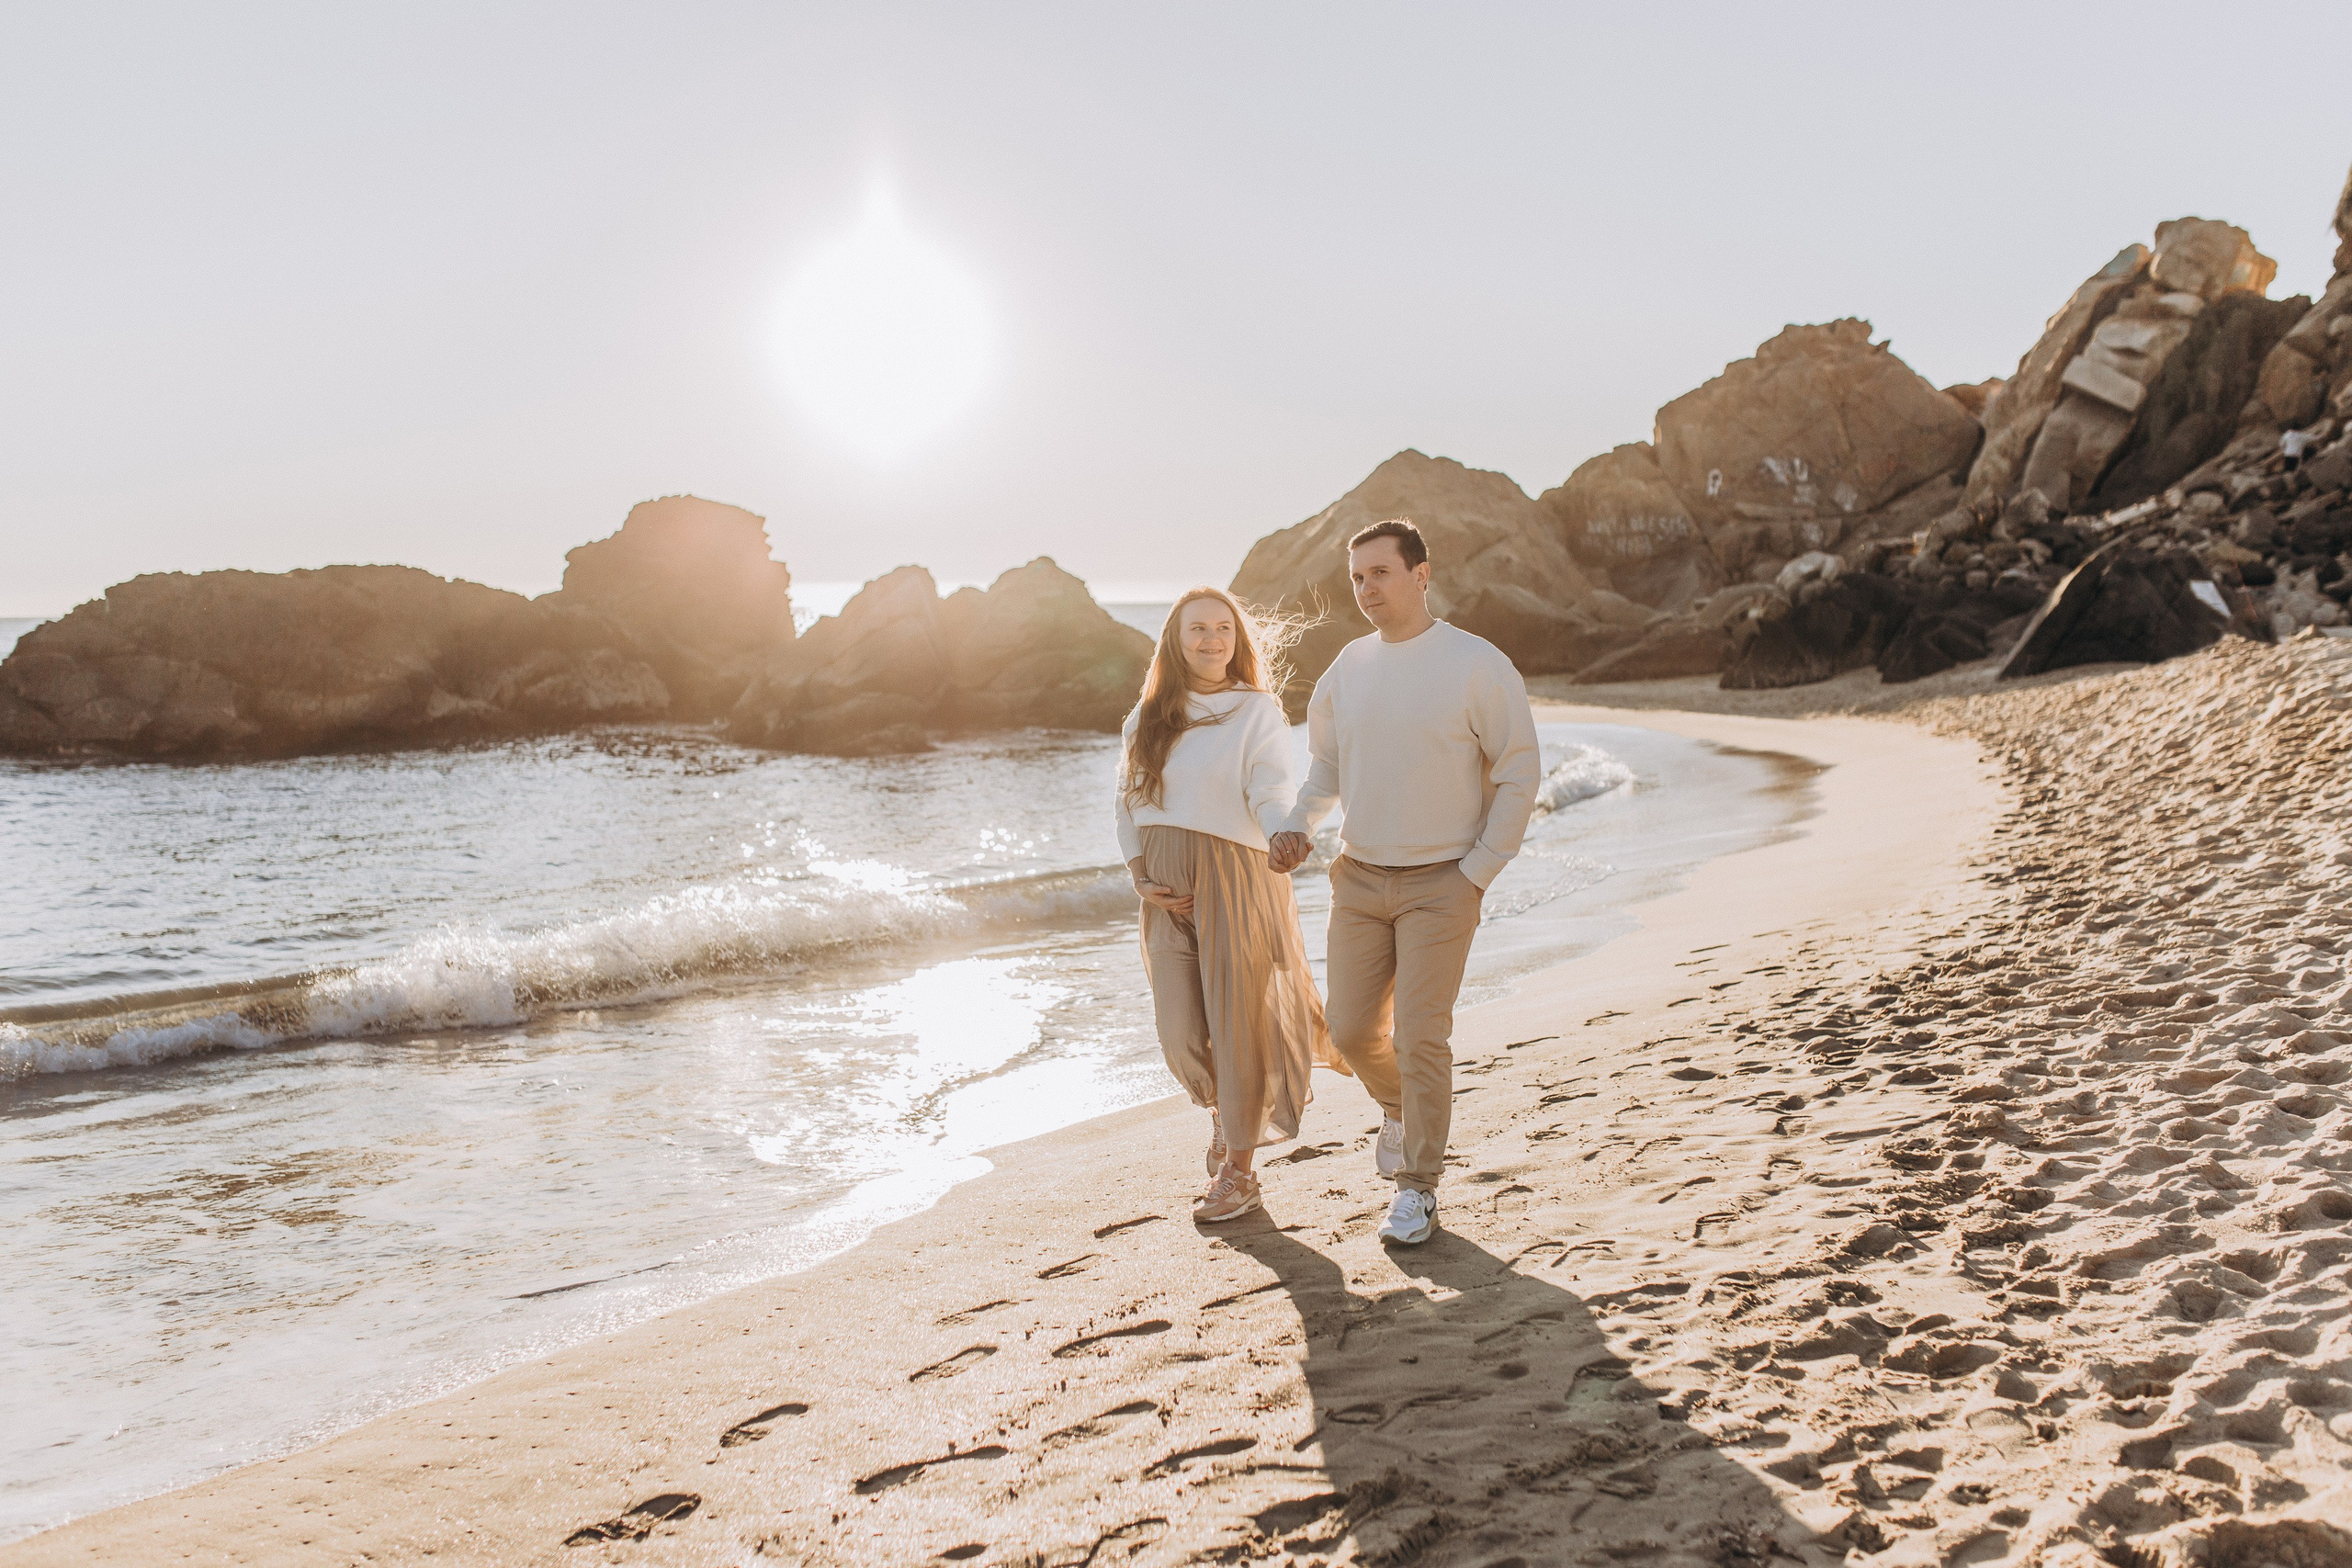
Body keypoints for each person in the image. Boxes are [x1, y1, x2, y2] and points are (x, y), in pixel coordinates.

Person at [1267, 520, 1539, 1246]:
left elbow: (1519, 770)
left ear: (1421, 574)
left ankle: (1417, 1187)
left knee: (1421, 1034)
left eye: (1380, 573)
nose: (1366, 589)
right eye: (1357, 577)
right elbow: (1327, 767)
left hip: (1442, 882)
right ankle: (1398, 1108)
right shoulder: (1348, 667)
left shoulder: (1476, 664)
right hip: (1359, 878)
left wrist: (1477, 872)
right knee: (1351, 1030)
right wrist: (1299, 824)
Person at [1116, 586, 1348, 1223]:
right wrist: (1138, 873)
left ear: (1237, 639)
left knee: (1238, 1022)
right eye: (1198, 628)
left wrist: (1282, 832)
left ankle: (1240, 1173)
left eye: (1224, 627)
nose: (1212, 639)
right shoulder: (1147, 715)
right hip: (1163, 888)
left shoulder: (1255, 710)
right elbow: (1127, 798)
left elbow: (1269, 787)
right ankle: (1224, 1111)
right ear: (1175, 638)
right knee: (1180, 1032)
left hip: (1235, 877)